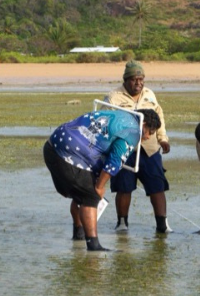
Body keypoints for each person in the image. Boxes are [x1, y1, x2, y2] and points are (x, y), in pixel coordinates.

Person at [44, 107, 161, 252]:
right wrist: (100, 186)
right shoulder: (133, 131)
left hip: (52, 145)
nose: (148, 137)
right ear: (144, 125)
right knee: (90, 196)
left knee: (80, 192)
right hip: (69, 154)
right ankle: (93, 246)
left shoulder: (120, 113)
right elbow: (115, 161)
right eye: (150, 132)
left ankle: (78, 234)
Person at [104, 60, 171, 234]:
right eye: (134, 79)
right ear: (126, 80)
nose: (138, 83)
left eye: (141, 79)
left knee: (157, 186)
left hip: (149, 148)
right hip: (124, 149)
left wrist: (162, 138)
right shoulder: (113, 97)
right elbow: (106, 122)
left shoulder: (150, 95)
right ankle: (122, 223)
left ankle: (162, 224)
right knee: (123, 187)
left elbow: (159, 118)